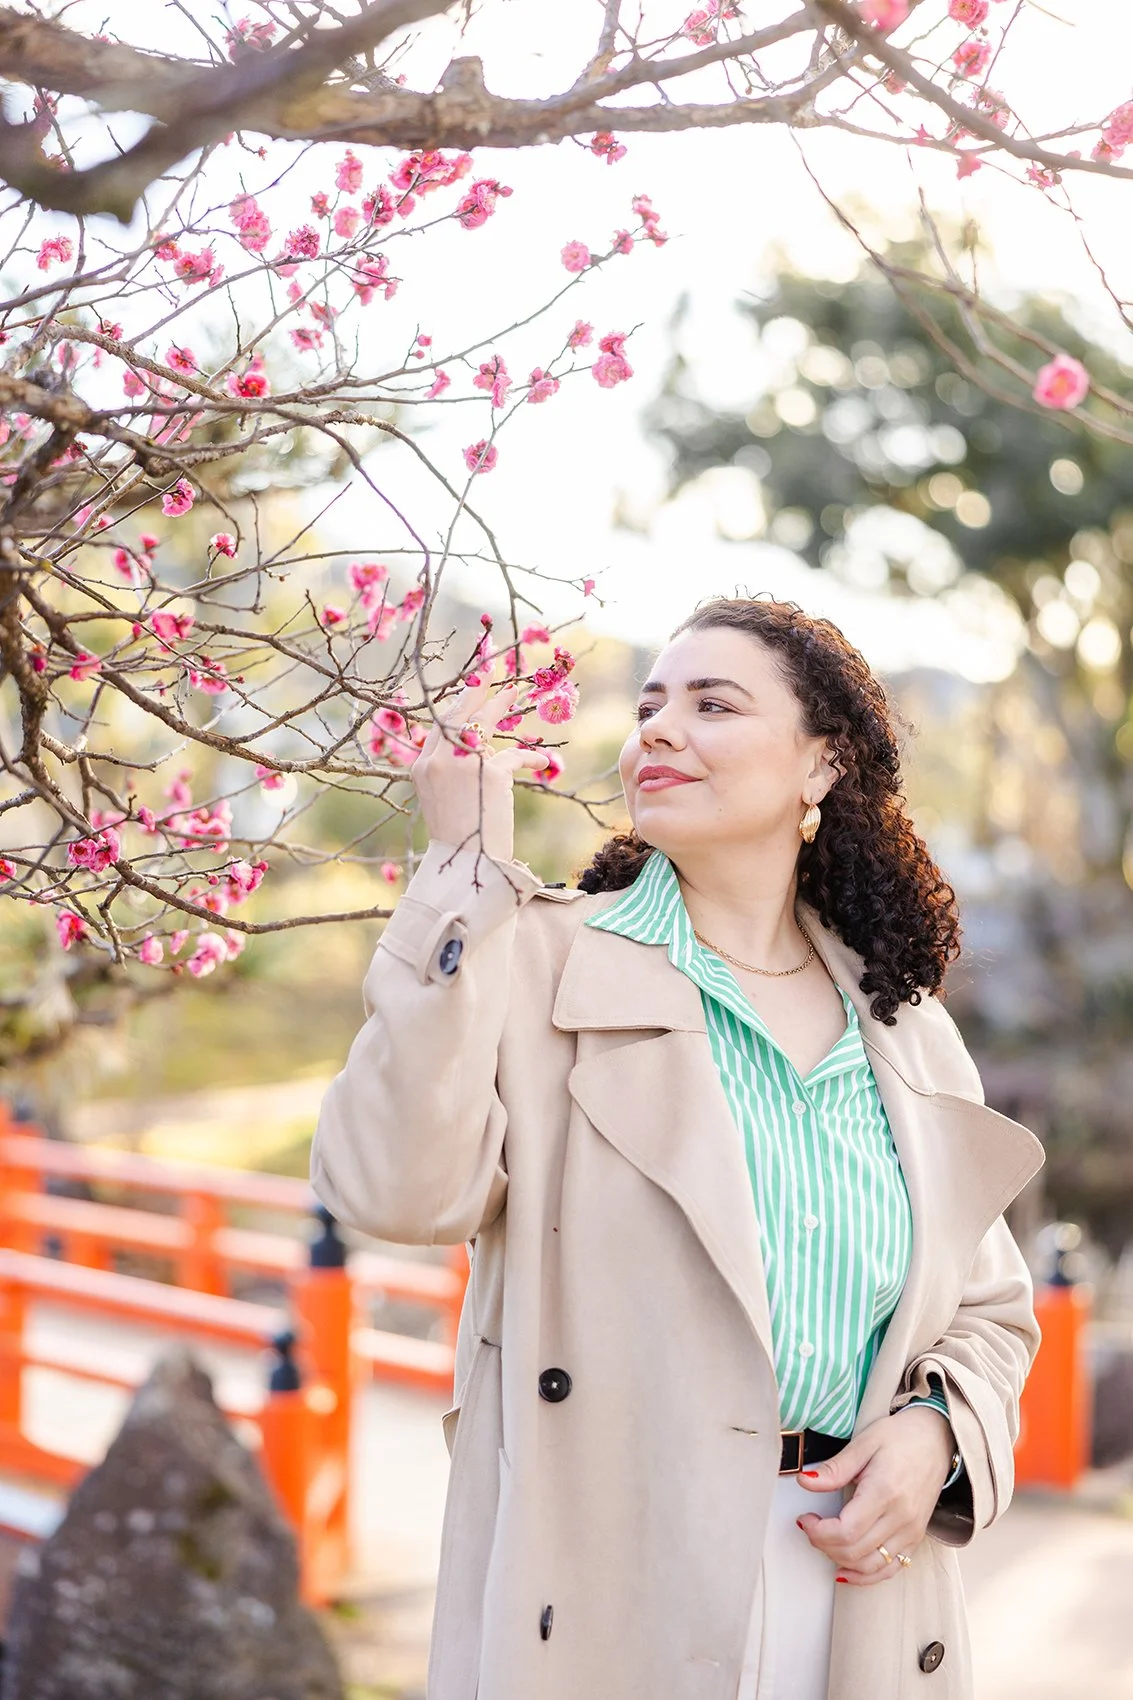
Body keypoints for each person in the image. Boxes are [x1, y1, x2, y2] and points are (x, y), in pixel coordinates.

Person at [311, 595, 1044, 1700]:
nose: (655, 727)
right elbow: (391, 1192)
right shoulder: (537, 959)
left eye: (711, 703)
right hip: (609, 1579)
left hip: (858, 1586)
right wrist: (463, 860)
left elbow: (988, 1309)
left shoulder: (901, 1029)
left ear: (821, 764)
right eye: (648, 702)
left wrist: (935, 1431)